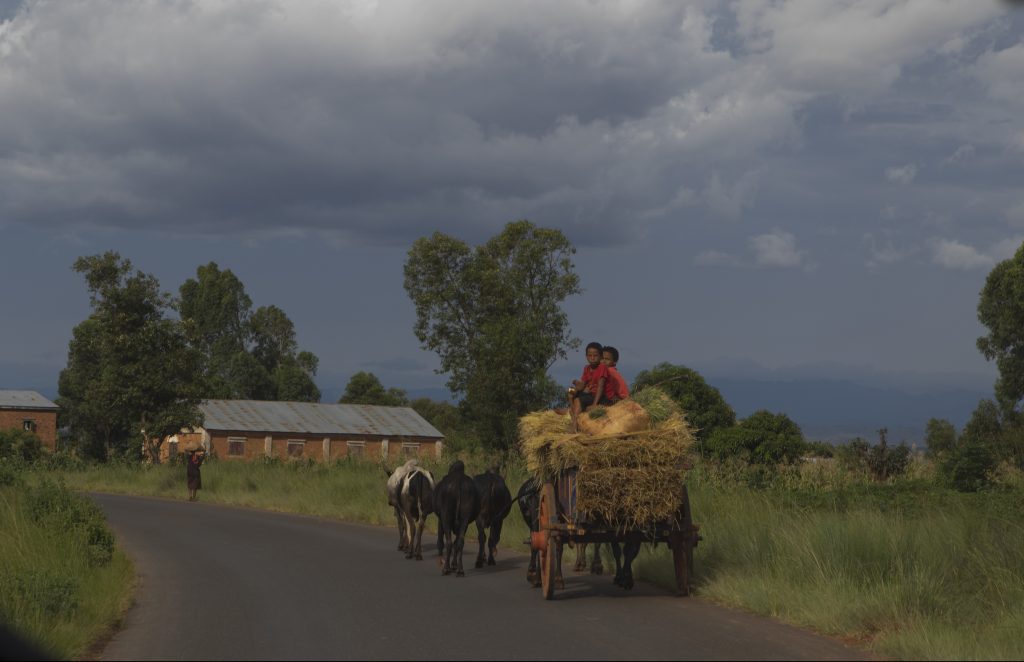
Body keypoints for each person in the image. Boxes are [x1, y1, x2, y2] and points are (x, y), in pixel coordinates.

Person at [569, 342, 612, 431]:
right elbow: (582, 385)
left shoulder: (602, 367)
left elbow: (601, 387)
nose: (592, 358)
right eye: (590, 355)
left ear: (600, 357)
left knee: (578, 399)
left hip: (602, 397)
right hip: (591, 395)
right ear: (586, 356)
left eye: (595, 355)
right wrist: (573, 388)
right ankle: (572, 411)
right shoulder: (587, 368)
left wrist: (594, 404)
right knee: (571, 391)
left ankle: (574, 423)